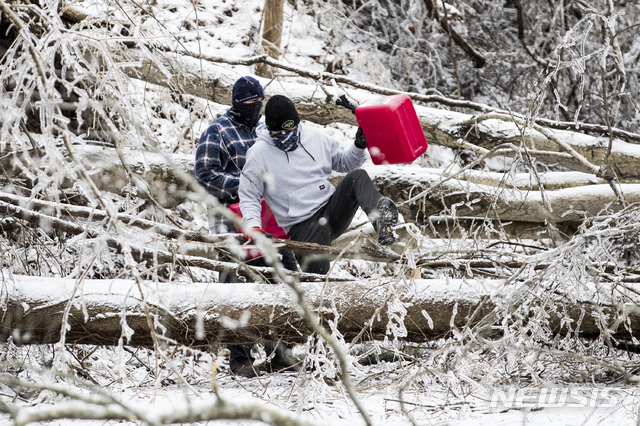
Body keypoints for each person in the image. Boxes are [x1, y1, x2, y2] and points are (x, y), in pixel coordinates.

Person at [195, 77, 298, 377]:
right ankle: (239, 359)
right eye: (251, 104)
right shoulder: (216, 132)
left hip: (268, 222)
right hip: (230, 221)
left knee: (281, 281)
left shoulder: (265, 131)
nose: (256, 109)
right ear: (238, 103)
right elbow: (203, 175)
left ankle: (280, 353)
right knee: (234, 289)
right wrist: (244, 187)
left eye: (259, 103)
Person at [238, 95, 399, 275]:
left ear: (297, 124)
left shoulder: (315, 137)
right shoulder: (258, 154)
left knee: (357, 177)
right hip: (302, 226)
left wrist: (358, 146)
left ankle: (382, 219)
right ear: (269, 130)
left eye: (290, 129)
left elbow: (345, 163)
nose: (286, 136)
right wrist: (253, 226)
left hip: (331, 210)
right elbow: (249, 195)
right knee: (317, 280)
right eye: (279, 133)